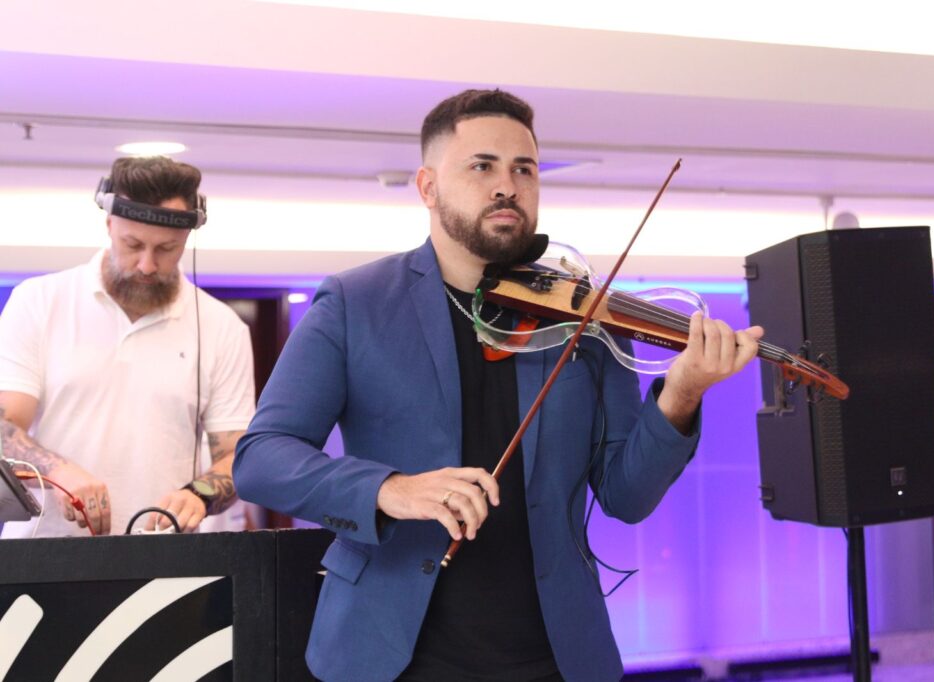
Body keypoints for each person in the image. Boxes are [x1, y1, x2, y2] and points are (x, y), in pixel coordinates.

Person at [233, 89, 763, 682]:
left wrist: (682, 393)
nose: (507, 186)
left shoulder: (582, 316)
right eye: (482, 167)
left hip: (555, 656)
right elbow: (261, 458)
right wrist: (391, 489)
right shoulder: (354, 303)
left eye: (524, 169)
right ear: (428, 187)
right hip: (393, 654)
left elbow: (626, 495)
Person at [0, 156, 255, 538]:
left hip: (164, 556)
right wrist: (59, 471)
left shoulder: (222, 327)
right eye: (132, 244)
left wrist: (198, 495)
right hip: (43, 550)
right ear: (109, 225)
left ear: (187, 239)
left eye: (166, 249)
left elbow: (238, 457)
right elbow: (4, 426)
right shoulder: (38, 301)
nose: (147, 265)